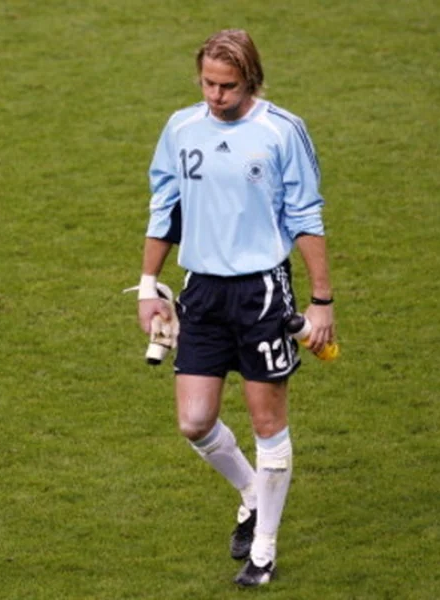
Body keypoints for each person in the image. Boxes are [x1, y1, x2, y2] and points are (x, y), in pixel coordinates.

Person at [134, 29, 336, 587]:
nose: (215, 96)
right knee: (194, 421)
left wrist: (321, 301)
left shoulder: (282, 130)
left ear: (250, 80)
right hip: (201, 291)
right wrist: (148, 285)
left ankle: (264, 550)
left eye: (226, 86)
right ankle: (251, 493)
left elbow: (306, 215)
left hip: (261, 293)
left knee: (267, 422)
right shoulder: (181, 128)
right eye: (207, 83)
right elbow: (164, 207)